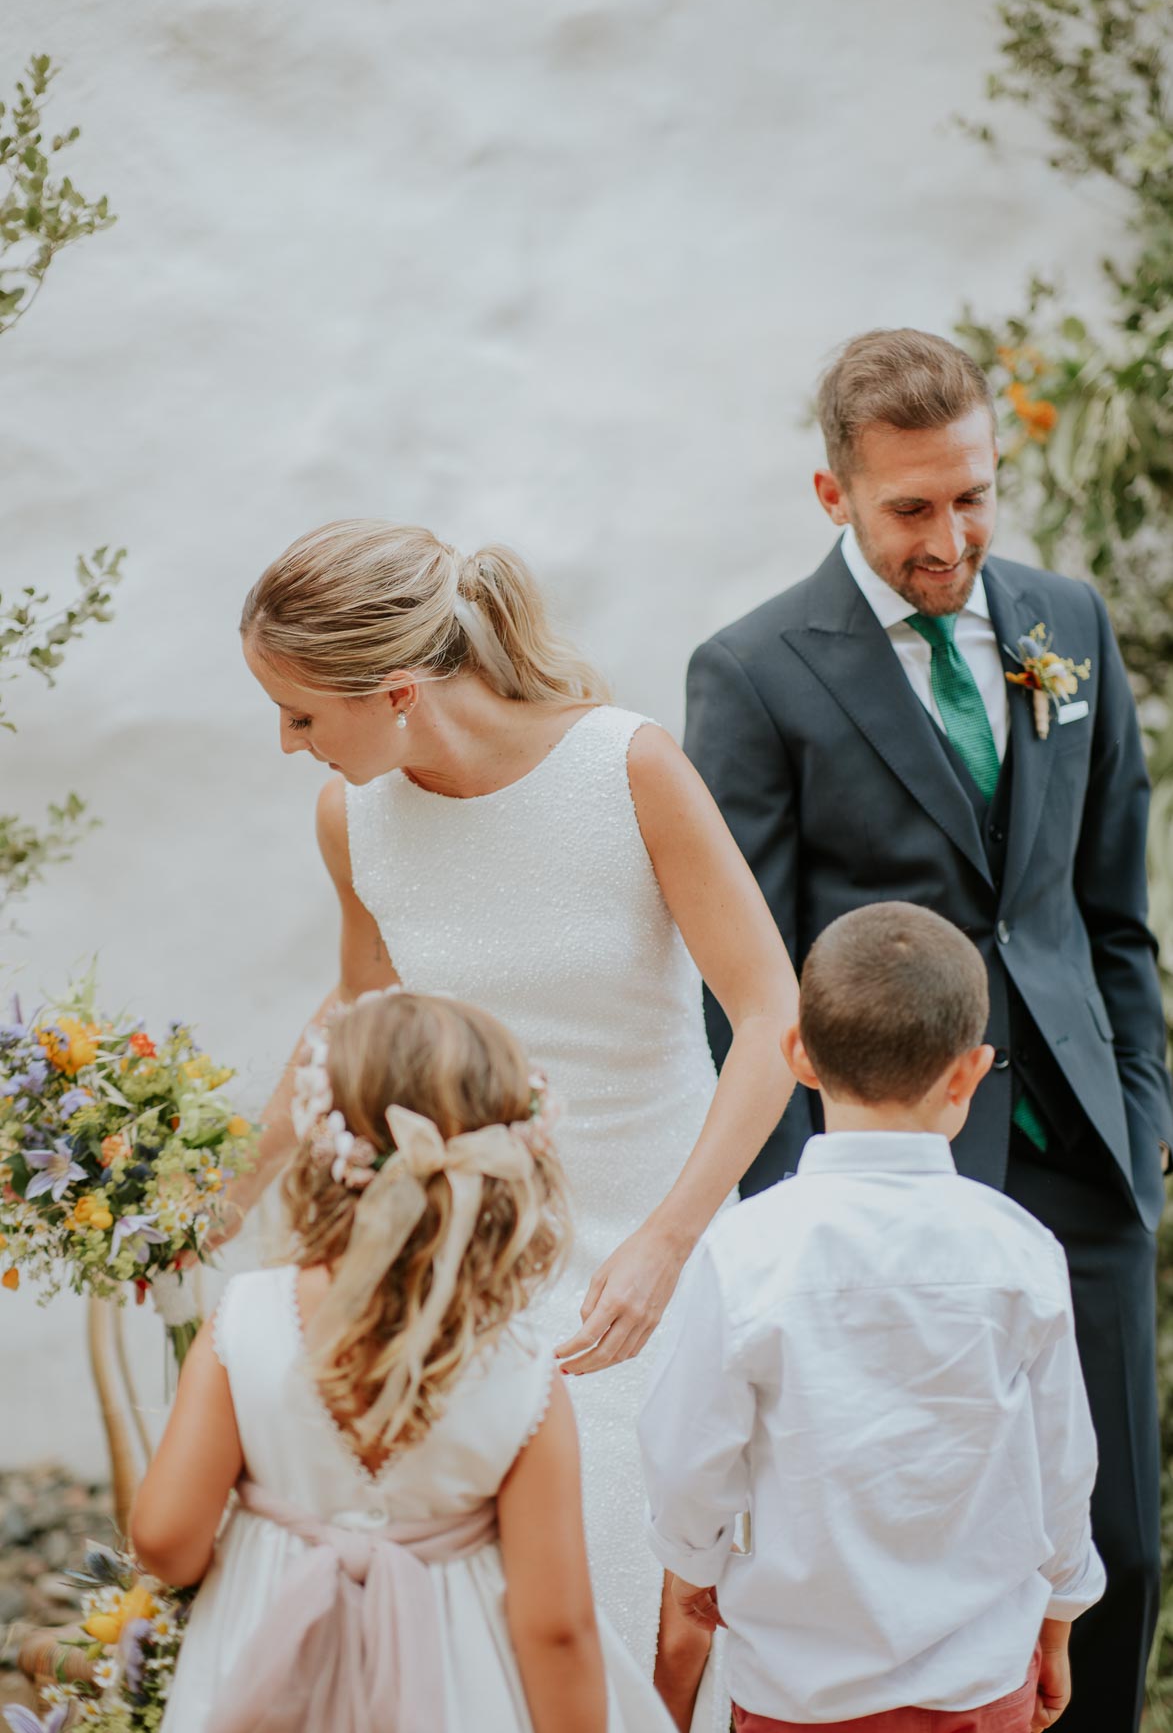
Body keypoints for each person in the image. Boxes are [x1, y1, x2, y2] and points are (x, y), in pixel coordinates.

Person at [228, 521, 799, 1731]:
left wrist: (668, 1241)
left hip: (648, 1263)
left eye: (300, 715)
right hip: (470, 1277)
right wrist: (220, 1195)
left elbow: (769, 1017)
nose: (287, 744)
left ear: (392, 693)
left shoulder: (628, 768)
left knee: (640, 1612)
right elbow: (356, 1010)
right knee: (493, 1635)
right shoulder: (355, 816)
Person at [684, 329, 1171, 1733]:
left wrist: (1142, 1112)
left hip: (1084, 1145)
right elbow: (752, 978)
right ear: (832, 495)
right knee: (926, 1560)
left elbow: (1105, 907)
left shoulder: (1061, 624)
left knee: (1115, 1550)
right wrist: (794, 1203)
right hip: (895, 1173)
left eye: (974, 495)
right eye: (910, 506)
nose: (949, 535)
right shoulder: (756, 669)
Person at [133, 989, 677, 1733]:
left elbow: (166, 1538)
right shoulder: (522, 1372)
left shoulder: (246, 1320)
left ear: (325, 1147)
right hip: (456, 1689)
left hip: (261, 1673)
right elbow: (555, 1629)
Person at [640, 901, 1106, 1733]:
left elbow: (687, 1453)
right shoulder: (1020, 1253)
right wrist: (1060, 1613)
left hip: (797, 1692)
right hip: (978, 1683)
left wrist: (693, 1565)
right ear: (968, 1073)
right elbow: (1061, 1466)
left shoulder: (746, 1249)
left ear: (798, 1056)